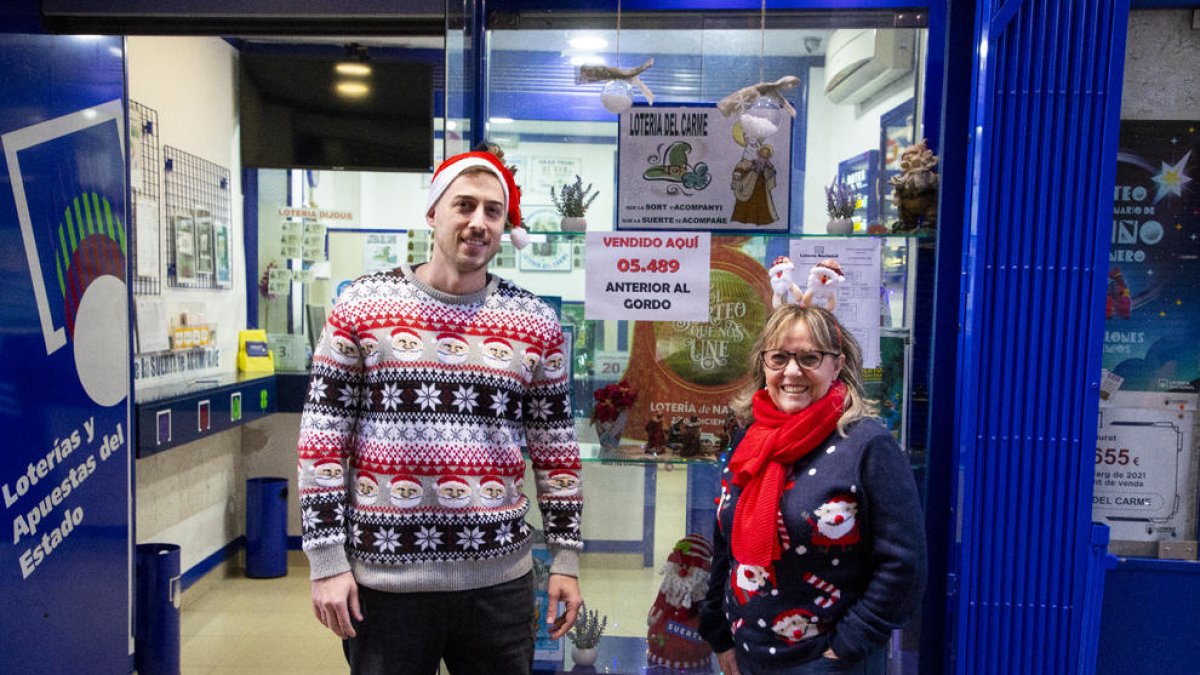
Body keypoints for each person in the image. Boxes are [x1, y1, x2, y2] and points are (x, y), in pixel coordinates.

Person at [296, 149, 584, 675]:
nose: (478, 223)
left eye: (493, 212)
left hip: (499, 586)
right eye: (464, 206)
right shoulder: (362, 306)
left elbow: (556, 451)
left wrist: (565, 557)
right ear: (433, 214)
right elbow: (321, 444)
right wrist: (326, 562)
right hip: (385, 587)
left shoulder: (535, 322)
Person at [699, 305, 926, 674]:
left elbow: (904, 565)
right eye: (779, 358)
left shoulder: (868, 446)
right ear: (763, 365)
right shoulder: (750, 439)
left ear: (837, 366)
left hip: (827, 662)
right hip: (745, 657)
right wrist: (720, 635)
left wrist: (845, 648)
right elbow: (726, 547)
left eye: (809, 357)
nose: (791, 371)